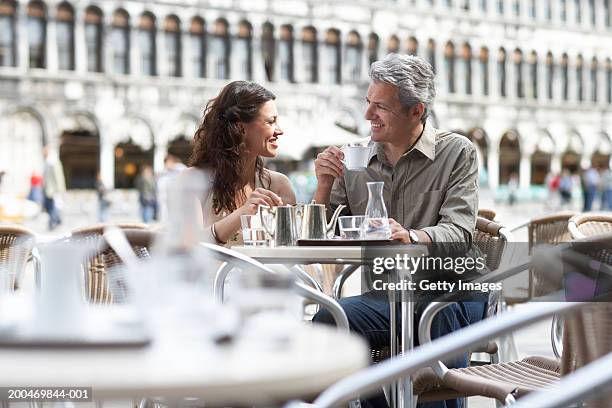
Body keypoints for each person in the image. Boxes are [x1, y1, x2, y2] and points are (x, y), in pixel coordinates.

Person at [312, 54, 481, 408]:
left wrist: (414, 235)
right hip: (389, 295)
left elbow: (460, 232)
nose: (367, 115)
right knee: (329, 318)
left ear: (416, 111)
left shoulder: (457, 153)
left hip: (452, 288)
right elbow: (323, 231)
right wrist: (324, 185)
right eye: (368, 103)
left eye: (381, 107)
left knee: (438, 314)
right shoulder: (355, 159)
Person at [188, 81, 296, 246]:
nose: (280, 130)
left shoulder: (279, 185)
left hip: (265, 272)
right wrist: (243, 214)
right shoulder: (192, 181)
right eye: (270, 122)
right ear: (241, 128)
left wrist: (324, 185)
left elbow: (293, 252)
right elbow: (190, 250)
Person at [156, 154, 187, 223]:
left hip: (178, 196)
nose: (167, 165)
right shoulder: (165, 172)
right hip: (165, 197)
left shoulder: (180, 168)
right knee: (165, 214)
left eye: (168, 162)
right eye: (166, 163)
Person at [42, 146, 66, 230]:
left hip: (53, 190)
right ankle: (55, 221)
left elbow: (58, 177)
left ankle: (55, 222)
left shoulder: (53, 162)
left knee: (54, 207)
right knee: (50, 207)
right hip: (48, 190)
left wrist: (60, 190)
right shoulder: (48, 162)